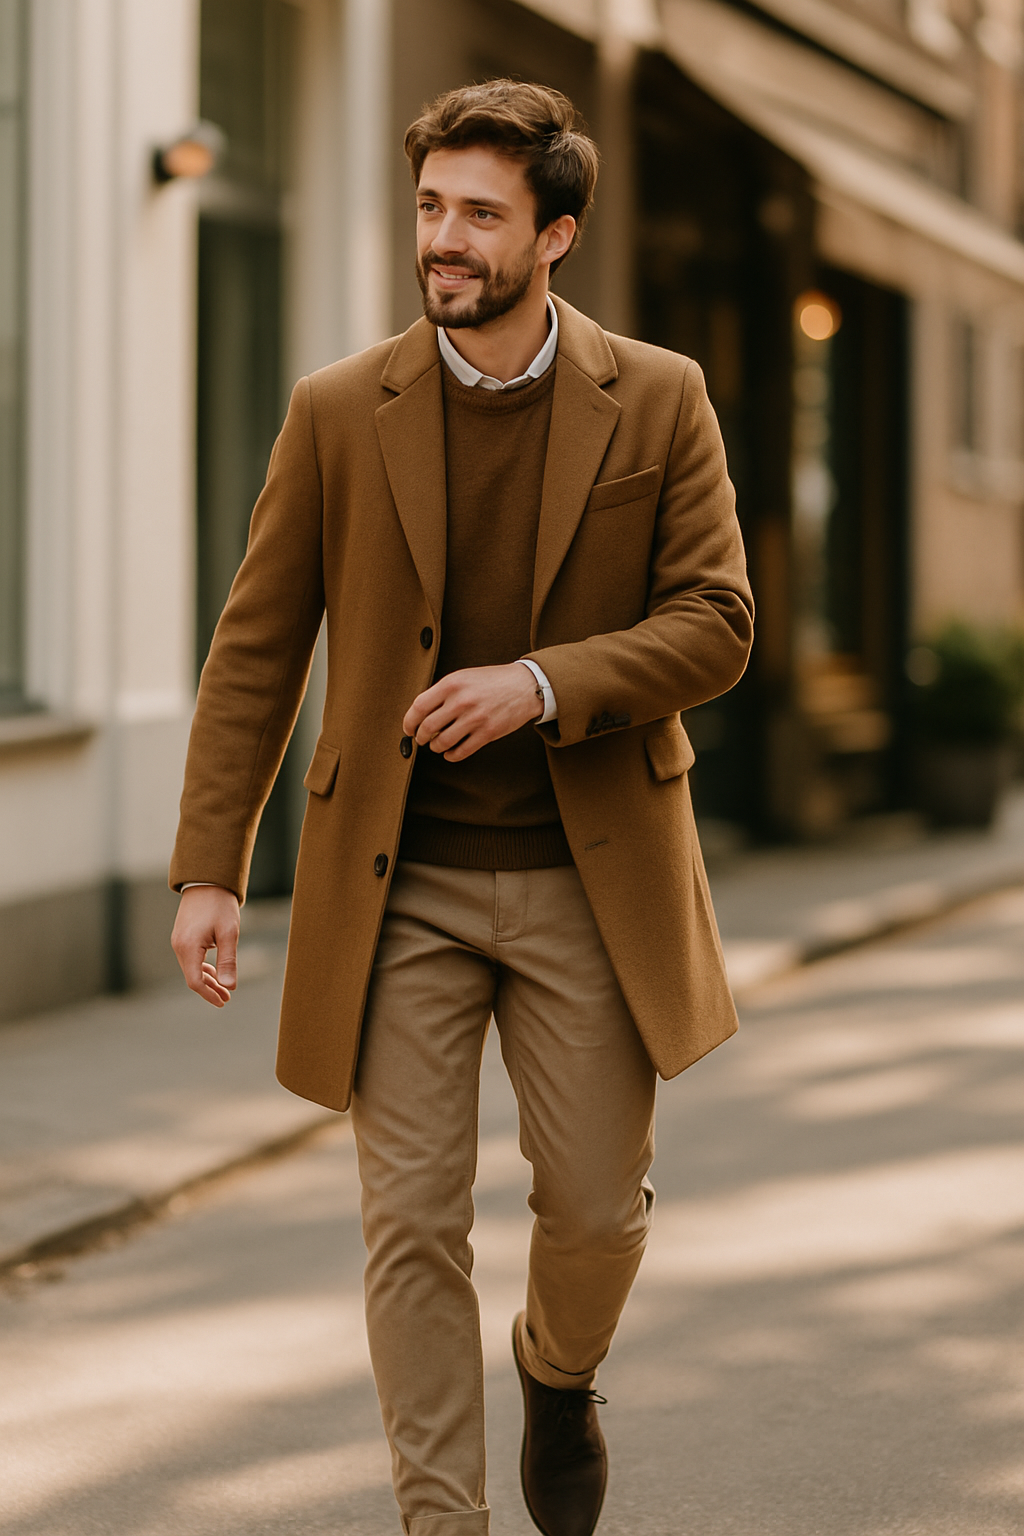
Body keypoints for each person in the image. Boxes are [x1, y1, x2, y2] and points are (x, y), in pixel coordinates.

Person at [170, 78, 753, 1536]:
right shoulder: (336, 413)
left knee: (599, 1212)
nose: (444, 240)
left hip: (590, 875)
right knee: (412, 1224)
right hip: (397, 885)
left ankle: (557, 1373)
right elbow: (256, 647)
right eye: (431, 207)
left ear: (553, 235)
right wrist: (208, 869)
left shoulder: (661, 397)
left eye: (480, 215)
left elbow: (719, 622)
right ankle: (446, 1523)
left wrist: (544, 686)